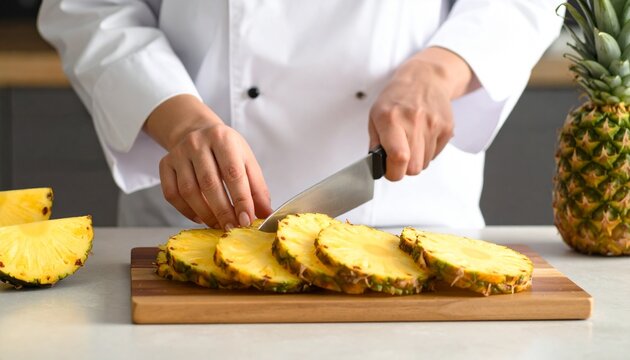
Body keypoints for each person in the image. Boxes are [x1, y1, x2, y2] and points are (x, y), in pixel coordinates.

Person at [37, 1, 562, 229]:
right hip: (197, 213)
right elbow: (88, 6)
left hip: (413, 215)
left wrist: (442, 70)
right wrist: (181, 121)